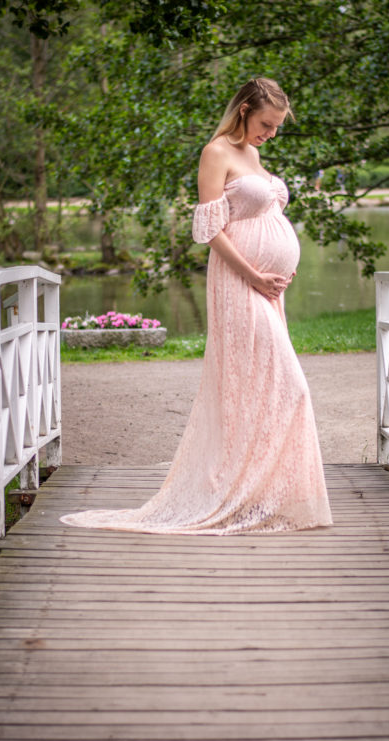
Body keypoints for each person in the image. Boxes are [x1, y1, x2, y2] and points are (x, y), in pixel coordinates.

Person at [61, 77, 332, 535]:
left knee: (264, 388)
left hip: (267, 286)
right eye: (267, 123)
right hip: (239, 282)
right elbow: (210, 230)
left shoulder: (254, 154)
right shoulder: (216, 152)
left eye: (277, 127)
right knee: (286, 387)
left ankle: (261, 493)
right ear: (245, 108)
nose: (271, 134)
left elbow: (265, 216)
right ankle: (237, 494)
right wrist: (254, 273)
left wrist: (278, 268)